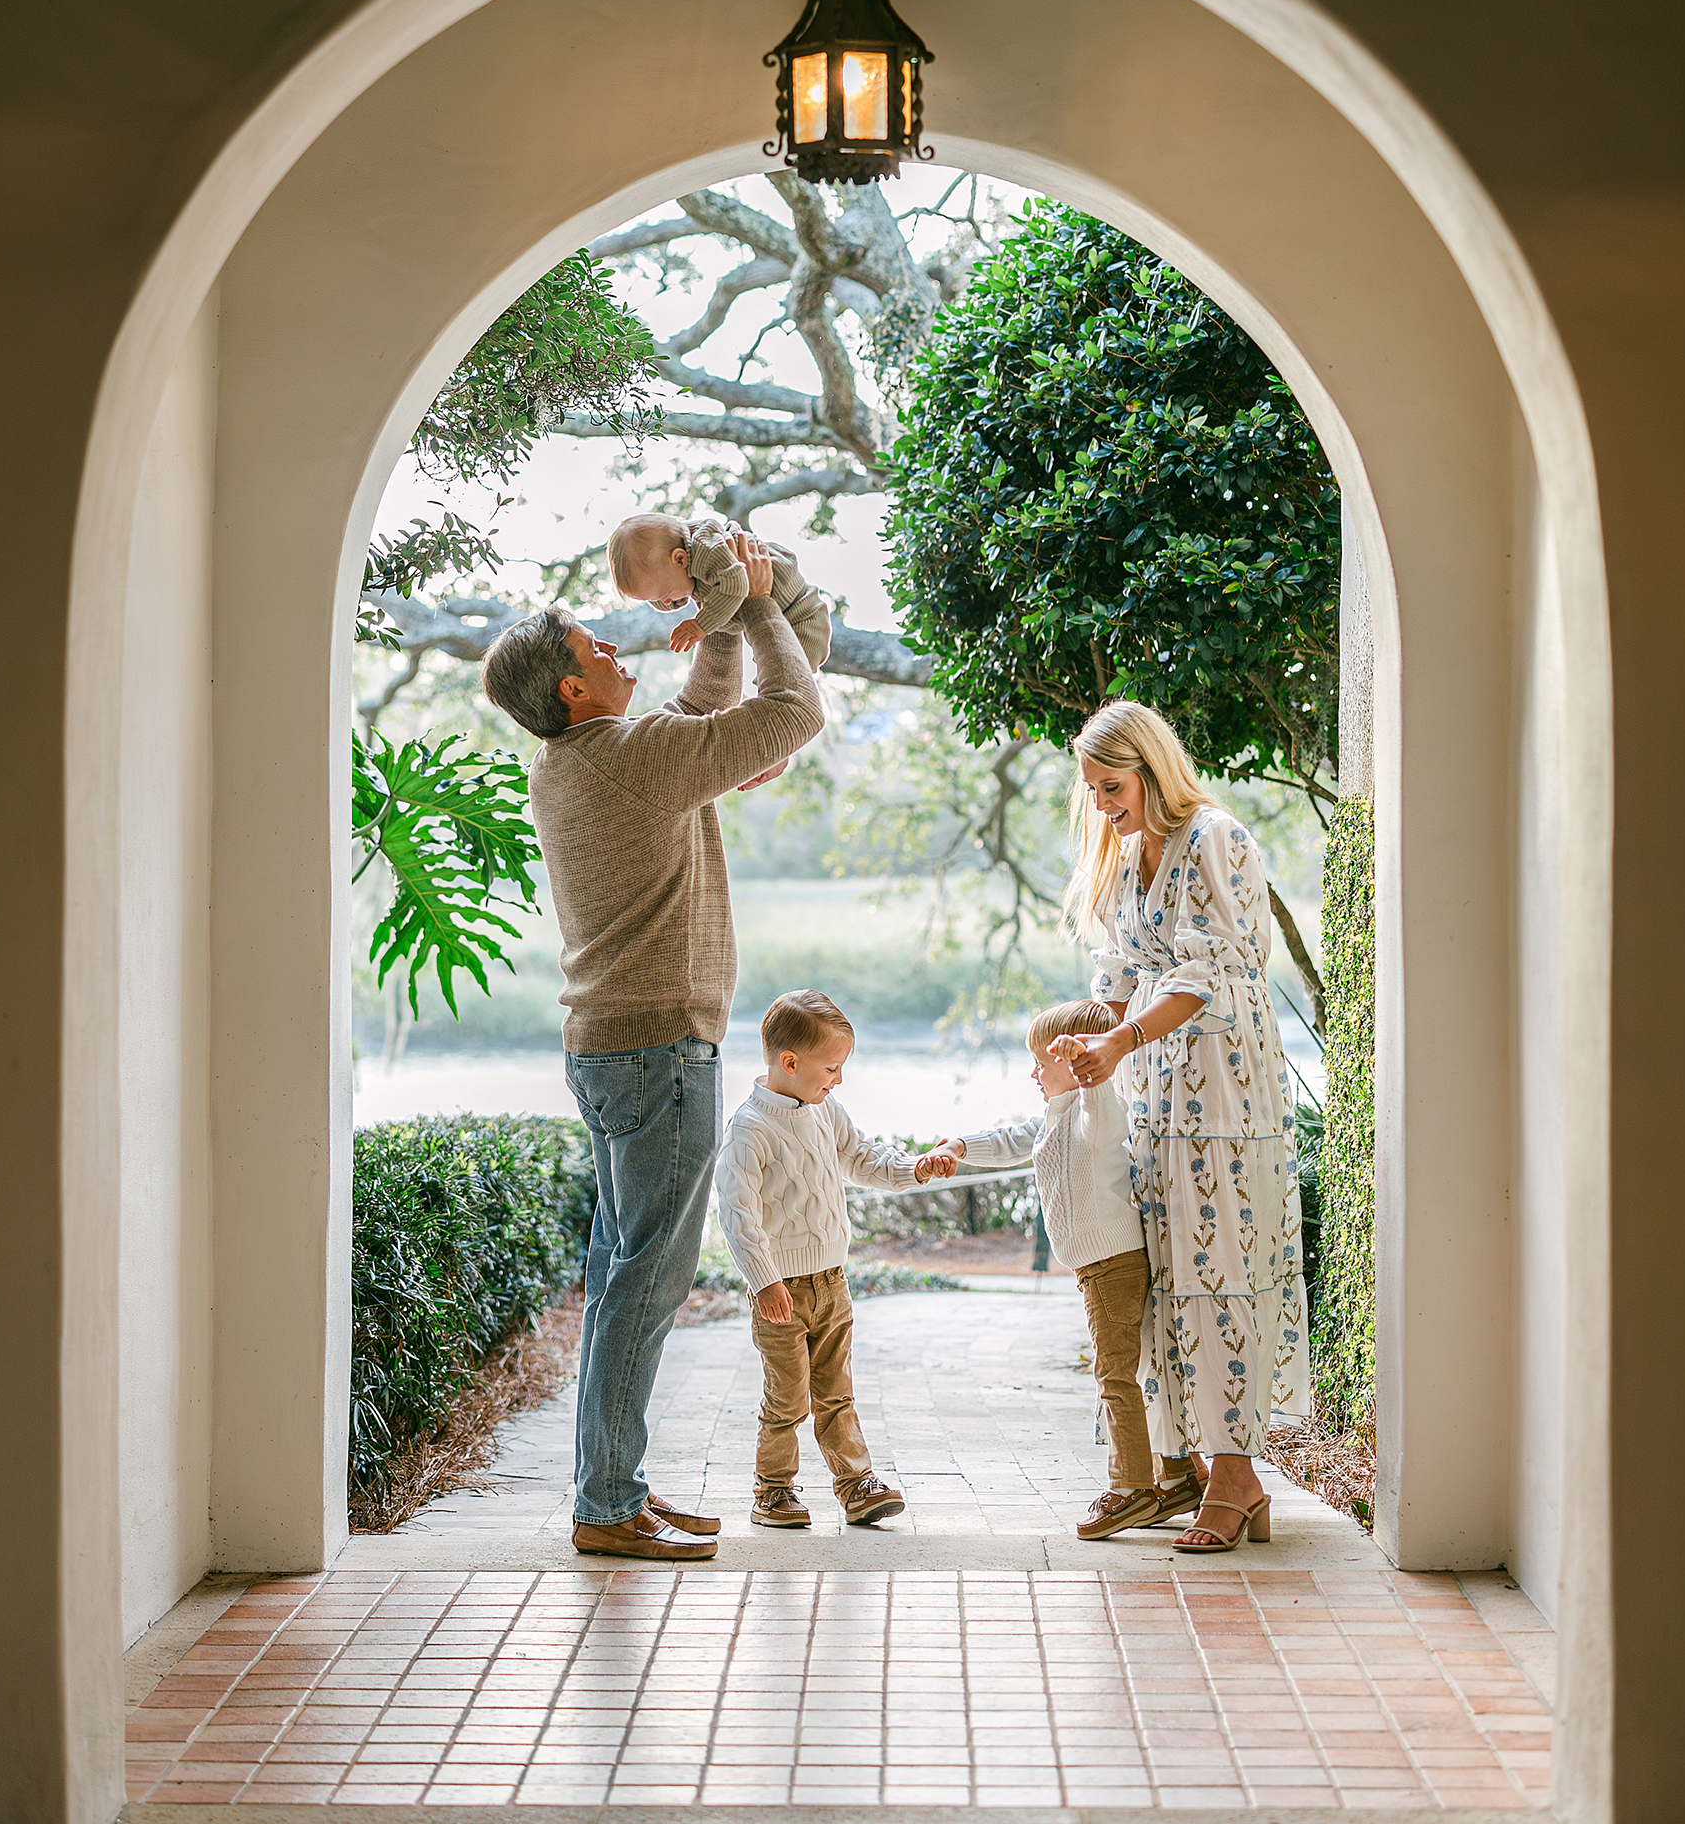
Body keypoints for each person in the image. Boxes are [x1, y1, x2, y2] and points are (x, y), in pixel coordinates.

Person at [482, 531, 823, 1563]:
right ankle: (606, 1505)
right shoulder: (630, 761)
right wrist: (758, 603)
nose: (625, 654)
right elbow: (791, 712)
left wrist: (714, 629)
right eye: (603, 649)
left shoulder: (575, 761)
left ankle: (612, 1486)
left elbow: (693, 716)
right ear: (576, 689)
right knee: (646, 1281)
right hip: (660, 1051)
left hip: (612, 1049)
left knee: (621, 1272)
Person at [1049, 699, 1309, 1555]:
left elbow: (1209, 973)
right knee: (1164, 1273)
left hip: (1222, 1093)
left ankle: (1234, 1475)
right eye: (1089, 790)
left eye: (1110, 786)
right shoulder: (1128, 855)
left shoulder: (1216, 838)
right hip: (1157, 1094)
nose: (1100, 805)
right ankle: (1195, 1471)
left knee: (1219, 1265)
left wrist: (1121, 1038)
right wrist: (1086, 1040)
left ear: (1152, 770)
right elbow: (1121, 970)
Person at [940, 998, 1204, 1539]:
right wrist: (961, 1145)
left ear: (1079, 1061)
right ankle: (1178, 1473)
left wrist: (1090, 1072)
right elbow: (1014, 1138)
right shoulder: (1055, 1117)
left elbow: (1099, 1110)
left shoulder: (1096, 1115)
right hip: (1101, 1265)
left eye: (1043, 1060)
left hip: (1112, 1265)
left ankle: (1130, 1488)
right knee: (1143, 1367)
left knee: (1114, 1376)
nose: (1034, 1072)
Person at [715, 989, 958, 1530]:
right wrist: (764, 1280)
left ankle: (856, 1486)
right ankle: (772, 1491)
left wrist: (913, 1169)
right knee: (788, 1398)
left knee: (836, 1393)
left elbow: (865, 1158)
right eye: (832, 1067)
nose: (838, 1080)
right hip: (781, 1292)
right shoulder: (750, 1129)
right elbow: (737, 1216)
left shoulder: (827, 1112)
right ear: (790, 1062)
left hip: (832, 1283)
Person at [608, 509, 834, 668]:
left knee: (792, 671)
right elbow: (672, 591)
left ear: (680, 560)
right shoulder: (682, 562)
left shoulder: (708, 549)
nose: (665, 603)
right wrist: (668, 596)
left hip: (801, 613)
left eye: (664, 596)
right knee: (770, 667)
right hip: (778, 619)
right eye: (654, 600)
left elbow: (736, 585)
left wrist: (700, 625)